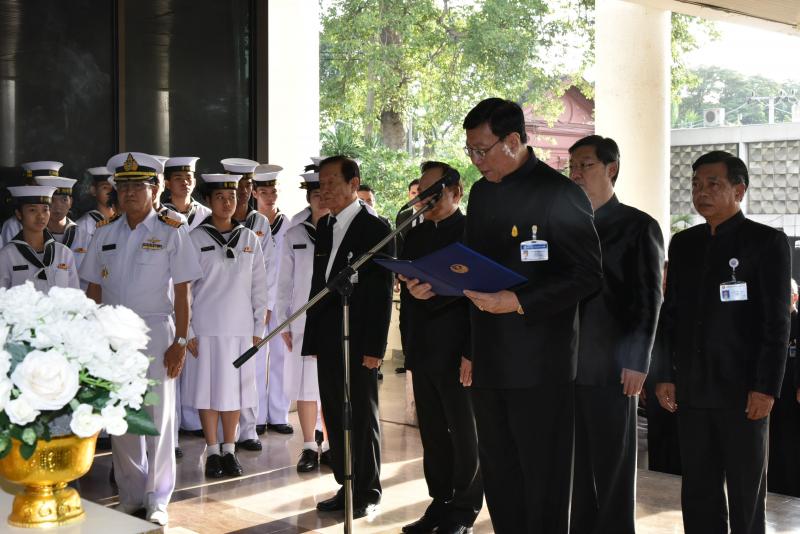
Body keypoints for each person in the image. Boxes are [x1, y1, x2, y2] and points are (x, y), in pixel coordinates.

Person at [407, 98, 602, 533]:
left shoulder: (559, 193)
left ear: (513, 140)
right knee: (501, 479)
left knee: (543, 481)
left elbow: (587, 275)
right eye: (470, 151)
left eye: (483, 150)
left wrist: (518, 301)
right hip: (490, 360)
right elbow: (472, 268)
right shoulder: (482, 193)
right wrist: (433, 286)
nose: (476, 162)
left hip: (540, 366)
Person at [654, 150, 790, 534]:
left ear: (739, 190)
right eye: (696, 185)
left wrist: (766, 388)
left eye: (713, 184)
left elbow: (776, 323)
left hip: (744, 392)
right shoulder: (684, 243)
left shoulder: (767, 242)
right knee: (698, 490)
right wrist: (664, 374)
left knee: (746, 492)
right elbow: (670, 314)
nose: (702, 192)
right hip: (693, 389)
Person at [80, 152, 203, 526]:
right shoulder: (105, 232)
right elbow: (93, 289)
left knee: (158, 417)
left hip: (155, 332)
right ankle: (131, 495)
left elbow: (183, 292)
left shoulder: (171, 229)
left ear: (155, 190)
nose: (129, 193)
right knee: (121, 418)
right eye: (123, 186)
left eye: (138, 186)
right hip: (113, 337)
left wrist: (180, 342)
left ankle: (158, 497)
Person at [566, 135, 664, 534]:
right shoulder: (564, 226)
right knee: (573, 467)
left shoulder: (638, 226)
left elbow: (649, 298)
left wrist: (638, 361)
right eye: (572, 166)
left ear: (612, 169)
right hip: (564, 363)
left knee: (613, 466)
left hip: (613, 367)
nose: (576, 174)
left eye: (585, 165)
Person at [302, 155, 393, 519]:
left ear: (354, 184)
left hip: (359, 338)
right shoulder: (325, 225)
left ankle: (367, 489)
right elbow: (319, 283)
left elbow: (381, 293)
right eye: (320, 183)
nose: (324, 190)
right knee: (334, 411)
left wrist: (374, 347)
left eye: (332, 182)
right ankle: (346, 483)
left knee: (360, 414)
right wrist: (312, 336)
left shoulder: (375, 227)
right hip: (328, 333)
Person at [398, 161, 483, 534]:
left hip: (458, 350)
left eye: (435, 191)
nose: (426, 199)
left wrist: (471, 351)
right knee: (432, 434)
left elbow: (480, 298)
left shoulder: (471, 233)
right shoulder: (414, 234)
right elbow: (408, 294)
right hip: (424, 349)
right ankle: (440, 502)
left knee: (465, 435)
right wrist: (409, 348)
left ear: (456, 192)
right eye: (423, 192)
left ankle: (464, 509)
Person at [183, 173, 268, 479]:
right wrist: (188, 331)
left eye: (231, 197)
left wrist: (258, 328)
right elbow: (184, 289)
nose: (227, 202)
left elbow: (260, 286)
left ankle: (229, 450)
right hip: (205, 328)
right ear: (208, 201)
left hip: (240, 329)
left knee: (235, 391)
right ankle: (212, 451)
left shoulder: (249, 238)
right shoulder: (194, 238)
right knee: (207, 392)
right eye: (219, 197)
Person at [274, 170, 332, 472]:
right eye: (315, 195)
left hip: (333, 319)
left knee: (331, 386)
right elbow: (283, 283)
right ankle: (309, 446)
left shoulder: (341, 230)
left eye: (325, 193)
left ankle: (331, 445)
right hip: (302, 320)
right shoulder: (295, 234)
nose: (321, 199)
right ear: (309, 198)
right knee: (306, 386)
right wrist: (283, 322)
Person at [222, 158, 274, 451]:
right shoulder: (214, 222)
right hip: (223, 311)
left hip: (251, 310)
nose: (243, 190)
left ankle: (248, 430)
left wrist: (264, 309)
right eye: (239, 184)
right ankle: (224, 430)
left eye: (248, 184)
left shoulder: (260, 223)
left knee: (249, 373)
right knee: (223, 374)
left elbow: (267, 271)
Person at [252, 165, 294, 435]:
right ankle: (256, 416)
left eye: (274, 191)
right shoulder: (251, 224)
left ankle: (279, 414)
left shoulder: (289, 225)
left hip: (281, 302)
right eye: (264, 192)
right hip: (257, 302)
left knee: (281, 358)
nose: (270, 197)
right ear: (254, 193)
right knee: (256, 360)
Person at [0, 185, 79, 290]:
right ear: (19, 214)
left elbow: (74, 295)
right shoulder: (7, 255)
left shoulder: (64, 253)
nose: (41, 216)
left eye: (45, 210)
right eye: (32, 210)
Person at [768, 278, 800, 497]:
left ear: (795, 297)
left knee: (792, 447)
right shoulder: (772, 324)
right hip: (773, 396)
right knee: (774, 446)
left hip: (793, 396)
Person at [394, 178, 422, 375]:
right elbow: (398, 245)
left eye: (421, 191)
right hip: (406, 277)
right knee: (406, 319)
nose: (417, 196)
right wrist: (396, 274)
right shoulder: (403, 216)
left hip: (428, 278)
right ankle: (408, 360)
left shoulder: (434, 214)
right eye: (413, 193)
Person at [1, 161, 63, 247]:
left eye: (53, 184)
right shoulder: (13, 225)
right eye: (43, 183)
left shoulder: (65, 220)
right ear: (30, 184)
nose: (49, 189)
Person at [162, 156, 211, 232]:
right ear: (167, 184)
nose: (185, 182)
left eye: (188, 178)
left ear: (194, 182)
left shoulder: (206, 214)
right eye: (178, 178)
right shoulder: (159, 213)